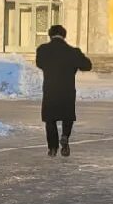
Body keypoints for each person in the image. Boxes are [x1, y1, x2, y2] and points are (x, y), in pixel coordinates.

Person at [35, 24, 92, 157]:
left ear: (50, 35)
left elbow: (39, 63)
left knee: (50, 119)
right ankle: (65, 136)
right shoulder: (73, 52)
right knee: (67, 116)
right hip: (67, 90)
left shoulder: (43, 50)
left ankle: (52, 148)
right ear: (64, 35)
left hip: (50, 90)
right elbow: (87, 66)